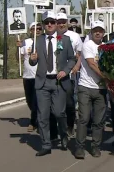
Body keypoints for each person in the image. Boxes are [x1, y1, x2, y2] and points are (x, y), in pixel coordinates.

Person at [29, 11, 76, 156]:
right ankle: (46, 144)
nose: (49, 25)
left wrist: (66, 71)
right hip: (42, 82)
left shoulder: (65, 40)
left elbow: (72, 59)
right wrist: (32, 58)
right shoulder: (38, 40)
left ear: (56, 24)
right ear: (43, 25)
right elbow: (33, 62)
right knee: (42, 115)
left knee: (59, 112)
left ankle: (63, 135)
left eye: (52, 22)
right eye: (46, 22)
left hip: (58, 81)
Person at [74, 21, 107, 159]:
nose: (98, 33)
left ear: (104, 33)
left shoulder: (106, 47)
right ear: (91, 32)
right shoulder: (87, 45)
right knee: (84, 118)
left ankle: (95, 146)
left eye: (100, 31)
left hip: (101, 89)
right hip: (86, 87)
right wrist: (107, 77)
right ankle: (80, 147)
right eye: (95, 31)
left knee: (99, 120)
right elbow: (92, 64)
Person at [55, 12, 83, 137]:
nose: (61, 24)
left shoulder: (74, 36)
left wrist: (76, 66)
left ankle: (70, 126)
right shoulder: (51, 36)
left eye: (63, 22)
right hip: (53, 75)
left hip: (70, 75)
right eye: (59, 22)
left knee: (69, 103)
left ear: (67, 22)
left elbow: (80, 54)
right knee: (54, 104)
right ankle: (56, 129)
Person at [16, 22, 42, 132]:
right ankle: (37, 116)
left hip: (39, 76)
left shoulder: (44, 41)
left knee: (37, 100)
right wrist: (17, 48)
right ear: (31, 30)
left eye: (40, 28)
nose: (38, 30)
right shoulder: (25, 42)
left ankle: (33, 122)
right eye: (35, 29)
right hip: (27, 76)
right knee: (29, 100)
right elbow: (18, 58)